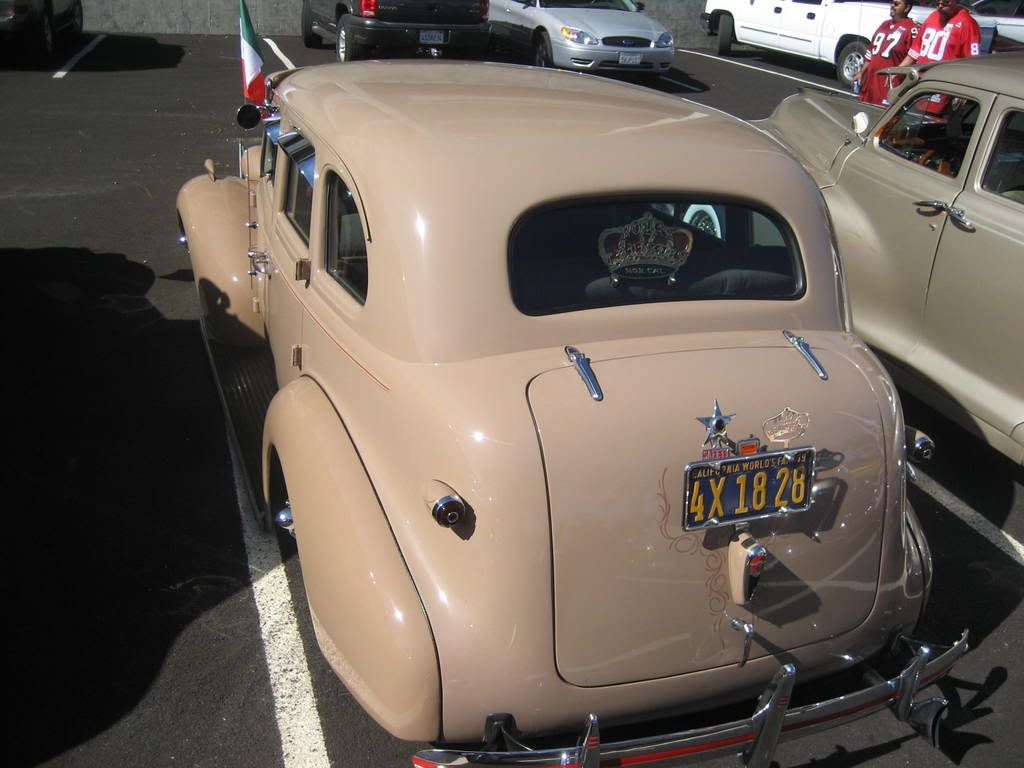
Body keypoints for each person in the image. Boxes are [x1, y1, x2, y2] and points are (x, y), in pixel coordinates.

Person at [853, 0, 920, 106]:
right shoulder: (884, 24)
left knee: (882, 113)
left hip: (889, 84)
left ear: (907, 8)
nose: (892, 6)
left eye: (896, 4)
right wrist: (861, 72)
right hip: (871, 80)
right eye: (892, 3)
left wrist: (896, 72)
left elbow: (913, 56)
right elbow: (871, 52)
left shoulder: (912, 29)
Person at [900, 0, 981, 66]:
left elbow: (972, 64)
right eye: (938, 1)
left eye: (946, 1)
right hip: (921, 78)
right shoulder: (932, 16)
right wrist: (896, 73)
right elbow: (913, 54)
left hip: (942, 79)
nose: (940, 3)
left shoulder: (968, 24)